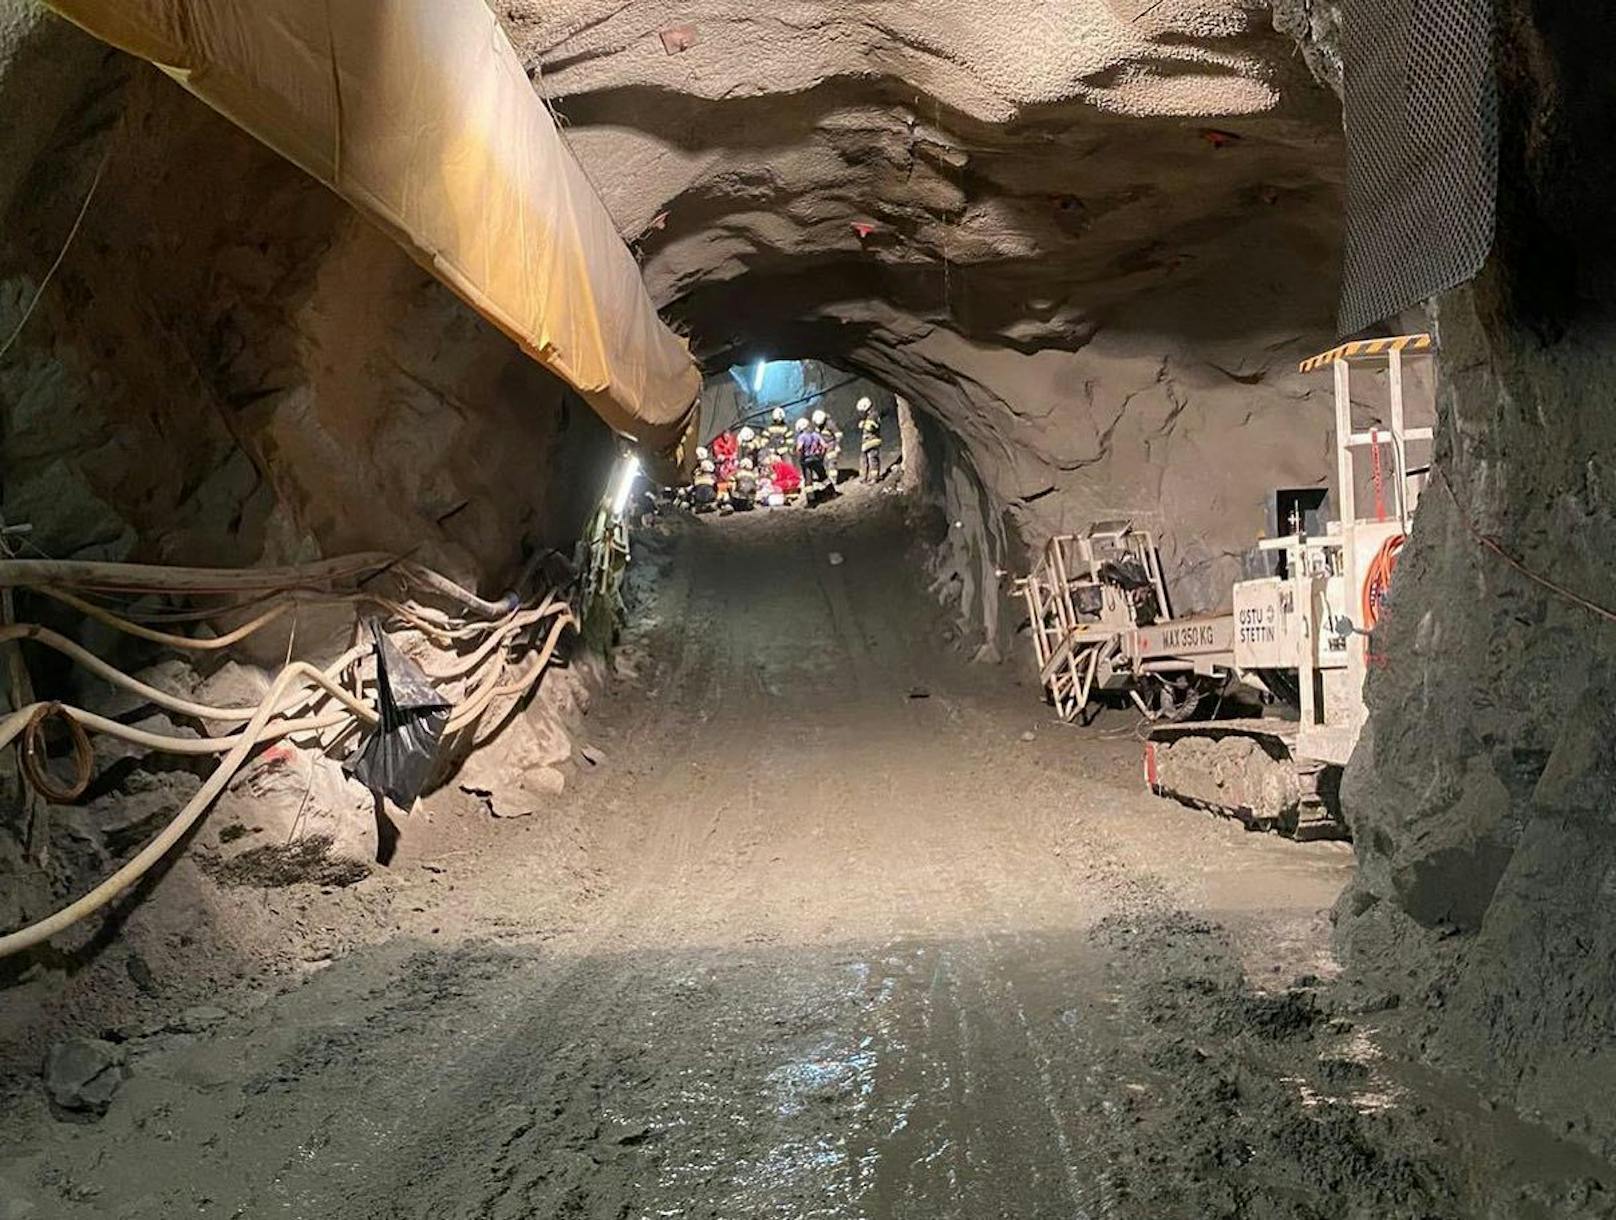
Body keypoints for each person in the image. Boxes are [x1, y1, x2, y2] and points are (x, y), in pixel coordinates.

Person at [794, 417, 829, 503]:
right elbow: (824, 446)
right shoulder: (815, 434)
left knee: (808, 481)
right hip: (817, 458)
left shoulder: (801, 437)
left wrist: (800, 458)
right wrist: (821, 456)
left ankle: (811, 500)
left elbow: (799, 448)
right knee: (823, 477)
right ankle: (831, 493)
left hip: (807, 460)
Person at [813, 408, 842, 485]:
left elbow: (838, 434)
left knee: (832, 463)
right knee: (824, 462)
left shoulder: (830, 423)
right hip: (823, 447)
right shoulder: (817, 426)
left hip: (831, 445)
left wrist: (837, 445)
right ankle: (827, 480)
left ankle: (833, 480)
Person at [856, 397, 882, 483]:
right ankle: (864, 477)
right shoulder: (869, 416)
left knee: (872, 459)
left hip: (873, 441)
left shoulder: (873, 415)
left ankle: (874, 477)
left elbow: (871, 427)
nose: (861, 413)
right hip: (866, 443)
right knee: (863, 459)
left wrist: (863, 424)